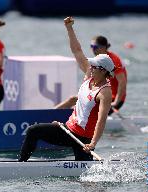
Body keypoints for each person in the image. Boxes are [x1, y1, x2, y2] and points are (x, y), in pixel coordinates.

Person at [18, 17, 114, 161]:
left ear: (103, 70)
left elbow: (101, 121)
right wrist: (69, 28)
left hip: (83, 139)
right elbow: (77, 50)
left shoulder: (104, 92)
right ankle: (22, 165)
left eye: (94, 66)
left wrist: (92, 143)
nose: (91, 68)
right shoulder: (89, 75)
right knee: (33, 131)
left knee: (85, 179)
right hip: (68, 130)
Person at [55, 36, 127, 116]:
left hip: (112, 99)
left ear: (103, 47)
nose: (93, 49)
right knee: (74, 100)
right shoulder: (100, 60)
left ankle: (53, 115)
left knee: (75, 102)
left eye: (95, 47)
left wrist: (116, 102)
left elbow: (122, 82)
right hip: (101, 95)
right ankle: (51, 113)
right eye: (91, 46)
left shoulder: (113, 60)